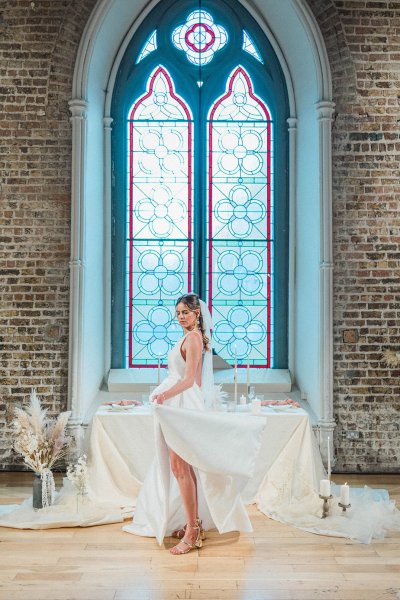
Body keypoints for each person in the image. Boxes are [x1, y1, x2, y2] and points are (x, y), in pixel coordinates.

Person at [123, 293, 265, 554]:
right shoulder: (187, 337)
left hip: (183, 405)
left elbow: (190, 381)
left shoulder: (195, 339)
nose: (180, 317)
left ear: (197, 314)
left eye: (185, 313)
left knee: (181, 468)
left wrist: (165, 394)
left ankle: (193, 530)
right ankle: (193, 523)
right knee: (180, 468)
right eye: (177, 313)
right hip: (176, 404)